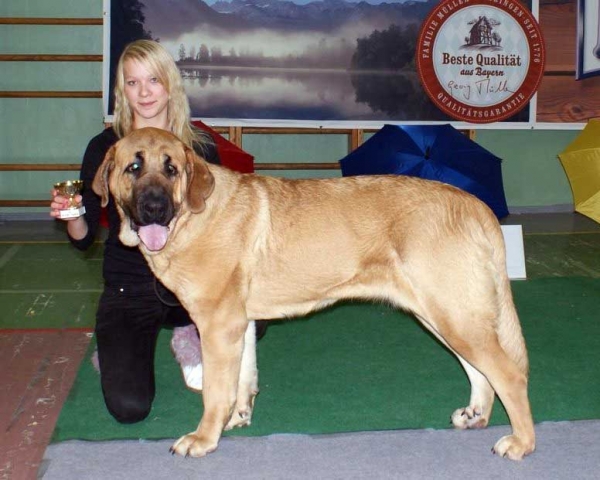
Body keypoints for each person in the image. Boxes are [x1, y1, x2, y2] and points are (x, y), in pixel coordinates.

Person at [50, 39, 266, 424]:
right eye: (133, 83)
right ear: (122, 90)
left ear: (170, 85)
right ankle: (120, 343)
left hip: (193, 280)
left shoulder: (198, 146)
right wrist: (71, 218)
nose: (144, 92)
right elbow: (84, 240)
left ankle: (188, 333)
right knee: (129, 407)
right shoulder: (105, 148)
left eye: (153, 80)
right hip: (129, 287)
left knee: (257, 311)